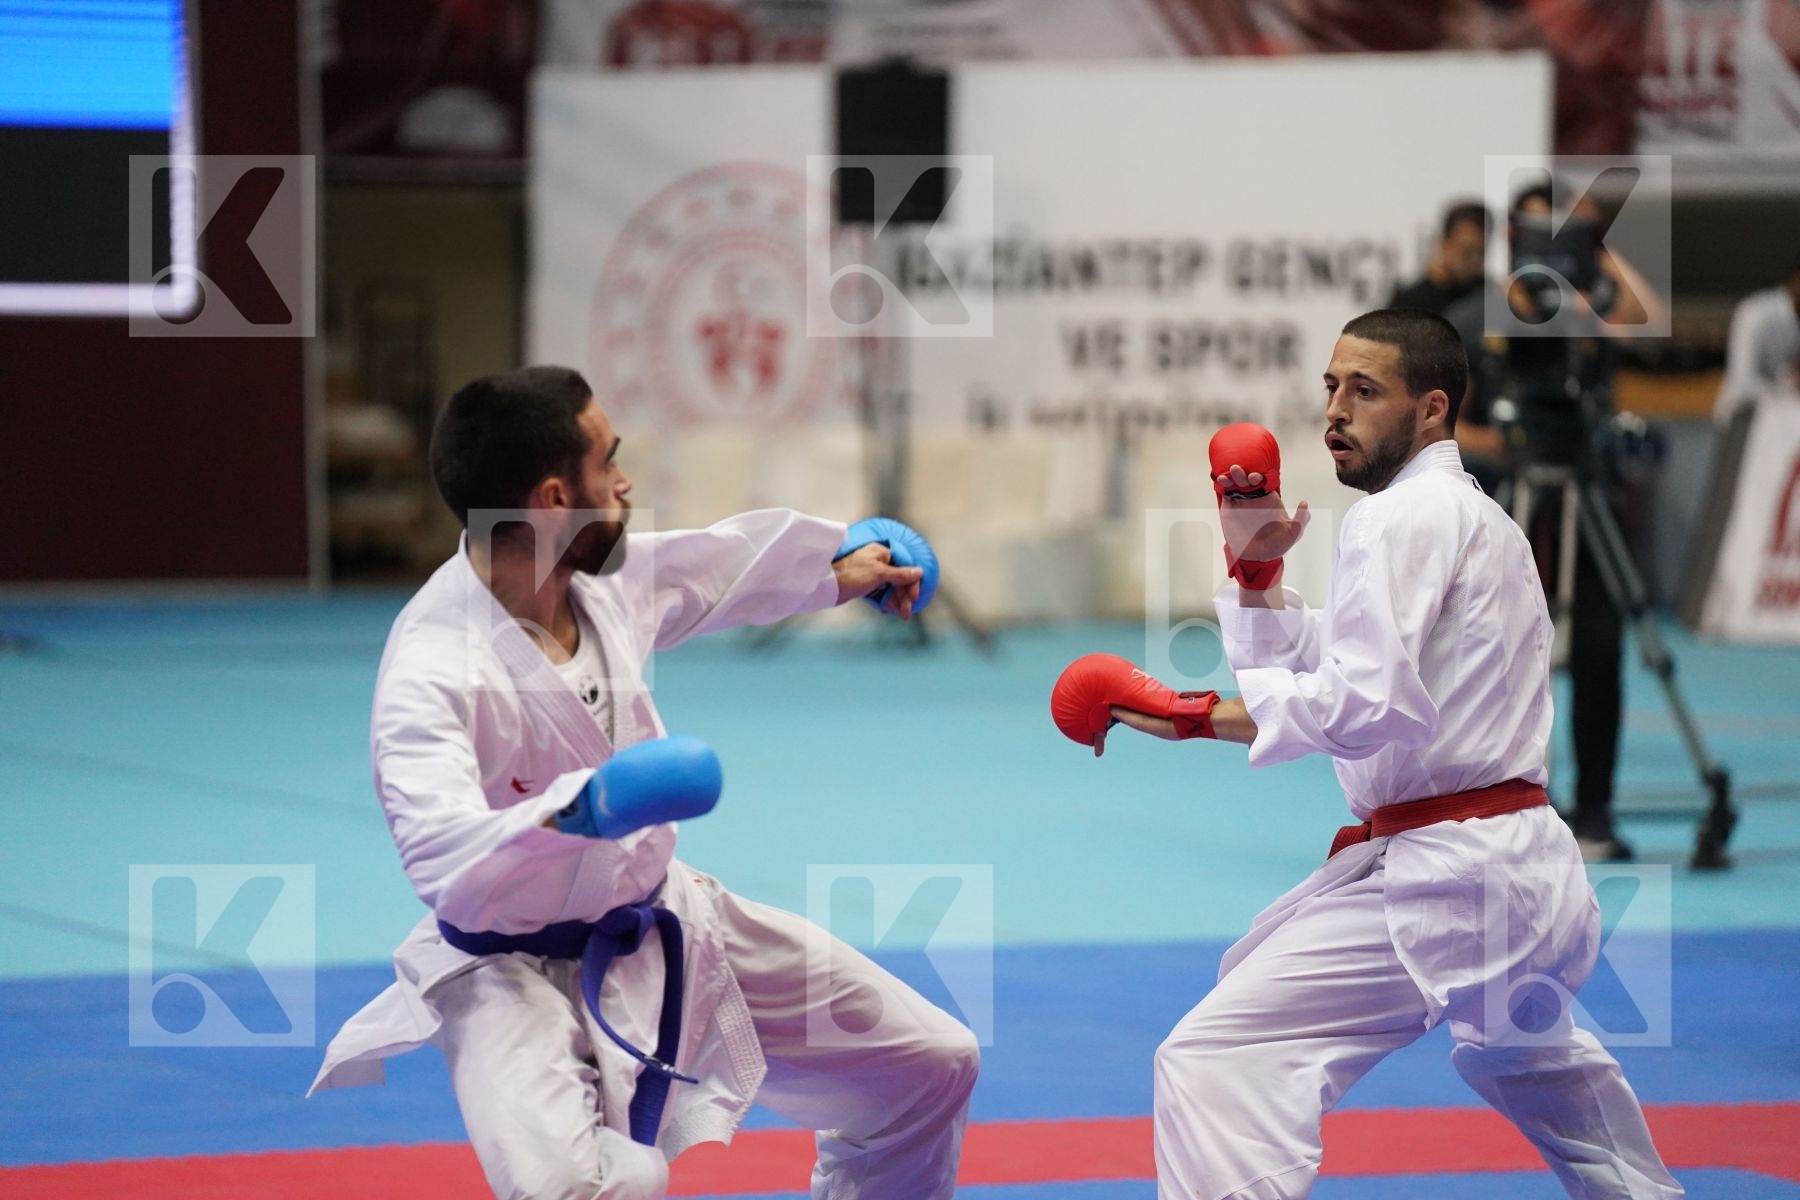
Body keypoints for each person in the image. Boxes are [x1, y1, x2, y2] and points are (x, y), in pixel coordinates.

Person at [1052, 310, 1682, 1199]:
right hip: (1530, 879)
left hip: (1454, 877)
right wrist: (1260, 584)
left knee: (1218, 1056)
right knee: (1528, 1061)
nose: (1336, 411)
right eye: (1331, 387)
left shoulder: (1397, 519)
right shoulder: (1472, 518)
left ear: (1432, 410)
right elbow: (1357, 672)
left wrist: (1191, 714)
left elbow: (1366, 704)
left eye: (1365, 391)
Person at [308, 366, 979, 1200]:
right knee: (588, 1189)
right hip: (511, 975)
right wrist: (585, 808)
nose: (625, 481)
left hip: (665, 922)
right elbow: (439, 853)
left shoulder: (599, 581)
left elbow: (712, 570)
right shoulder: (434, 664)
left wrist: (841, 561)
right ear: (555, 497)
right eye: (608, 461)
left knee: (927, 1065)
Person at [1714, 254, 1800, 427]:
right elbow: (1743, 383)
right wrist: (1788, 390)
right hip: (1742, 422)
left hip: (1786, 425)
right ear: (1796, 279)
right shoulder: (1755, 313)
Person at [1388, 199, 1492, 316]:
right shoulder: (1408, 304)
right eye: (1466, 252)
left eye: (1481, 252)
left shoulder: (1491, 299)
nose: (1474, 260)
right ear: (1443, 245)